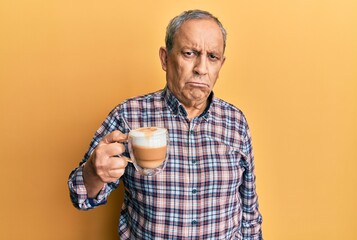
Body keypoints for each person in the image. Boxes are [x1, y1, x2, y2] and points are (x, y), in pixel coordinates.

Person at [68, 9, 263, 239]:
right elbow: (80, 196)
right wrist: (92, 172)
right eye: (189, 53)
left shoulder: (235, 122)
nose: (201, 68)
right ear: (165, 58)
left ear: (221, 64)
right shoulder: (129, 116)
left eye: (212, 57)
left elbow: (249, 213)